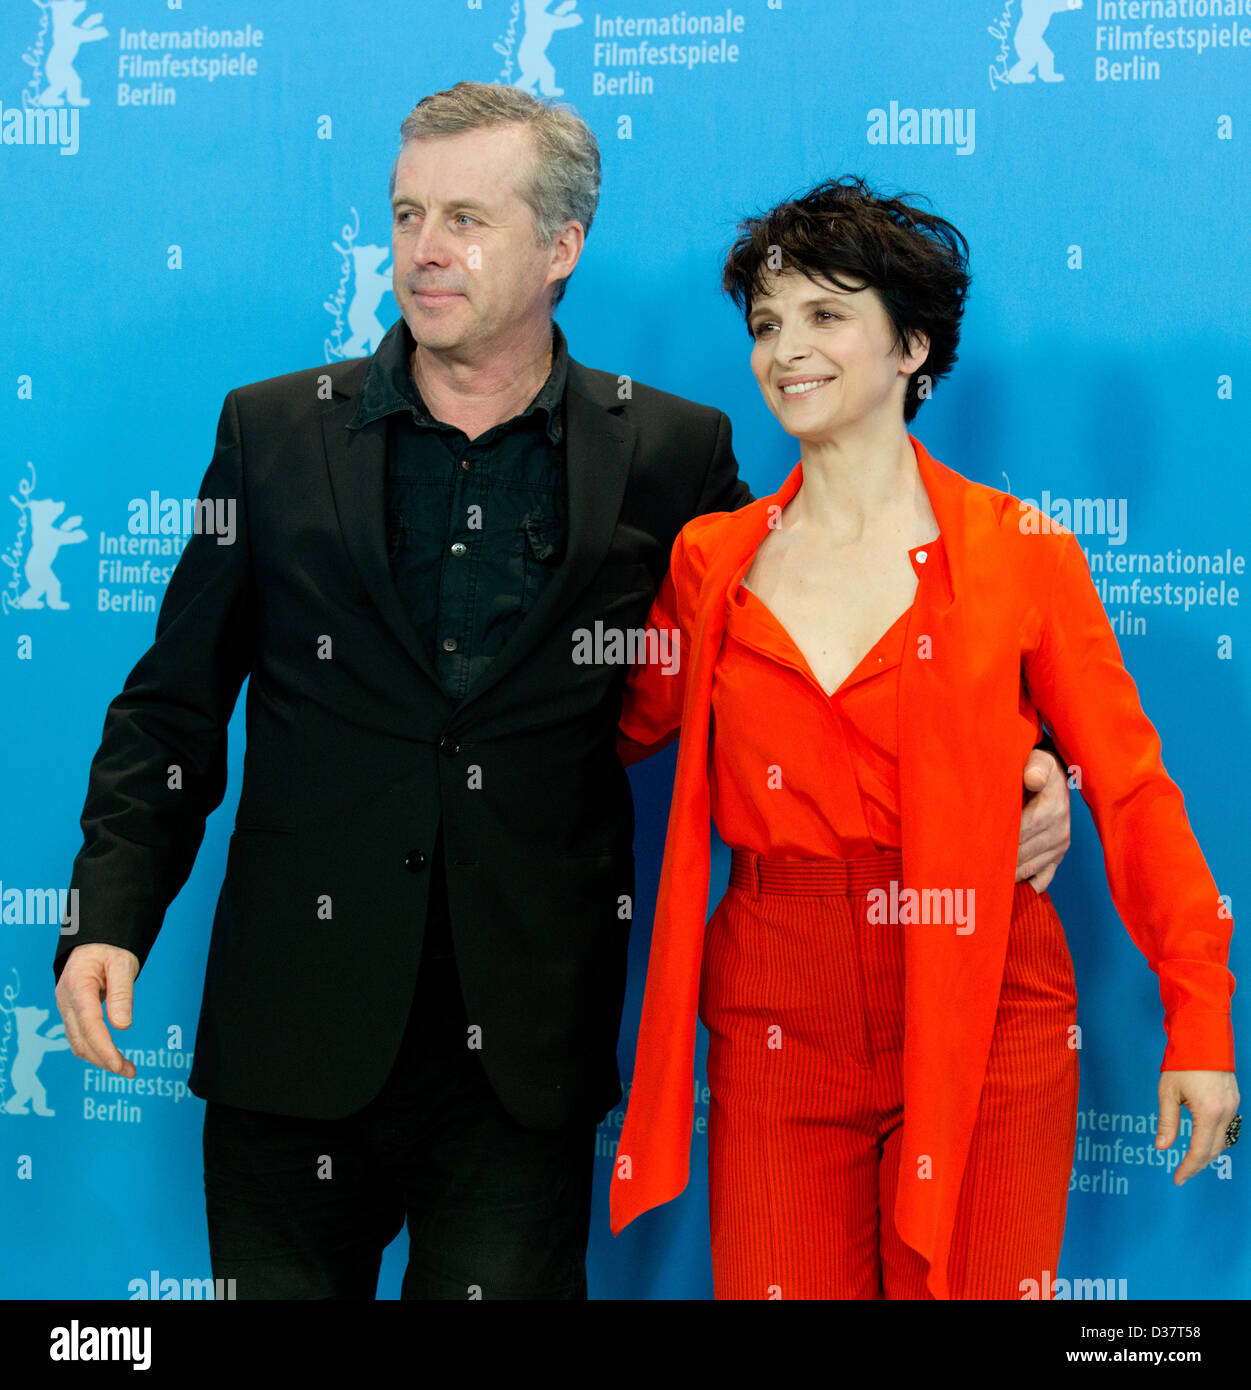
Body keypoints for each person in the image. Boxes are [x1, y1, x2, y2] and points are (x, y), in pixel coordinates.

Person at [50, 86, 1073, 1301]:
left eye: (468, 219)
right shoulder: (273, 431)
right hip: (292, 1036)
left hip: (521, 1055)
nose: (426, 249)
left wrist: (1035, 753)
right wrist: (108, 912)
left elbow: (820, 626)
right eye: (409, 213)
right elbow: (172, 702)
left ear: (560, 247)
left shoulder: (668, 452)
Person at [608, 176, 1239, 1300]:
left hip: (988, 990)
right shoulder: (709, 559)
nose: (784, 349)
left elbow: (1132, 791)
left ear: (910, 346)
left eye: (823, 313)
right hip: (775, 997)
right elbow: (609, 729)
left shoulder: (1019, 553)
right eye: (765, 323)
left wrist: (1199, 1016)